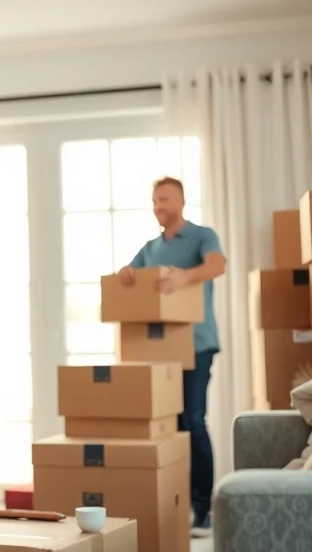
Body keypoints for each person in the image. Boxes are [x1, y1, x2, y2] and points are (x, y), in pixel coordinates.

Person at [116, 176, 226, 539]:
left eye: (163, 199)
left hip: (197, 344)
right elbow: (129, 275)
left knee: (193, 420)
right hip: (160, 352)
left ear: (180, 200)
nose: (157, 206)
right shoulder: (150, 247)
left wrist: (185, 278)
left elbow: (217, 266)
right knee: (169, 427)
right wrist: (126, 273)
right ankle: (175, 504)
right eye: (153, 200)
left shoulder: (201, 236)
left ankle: (204, 509)